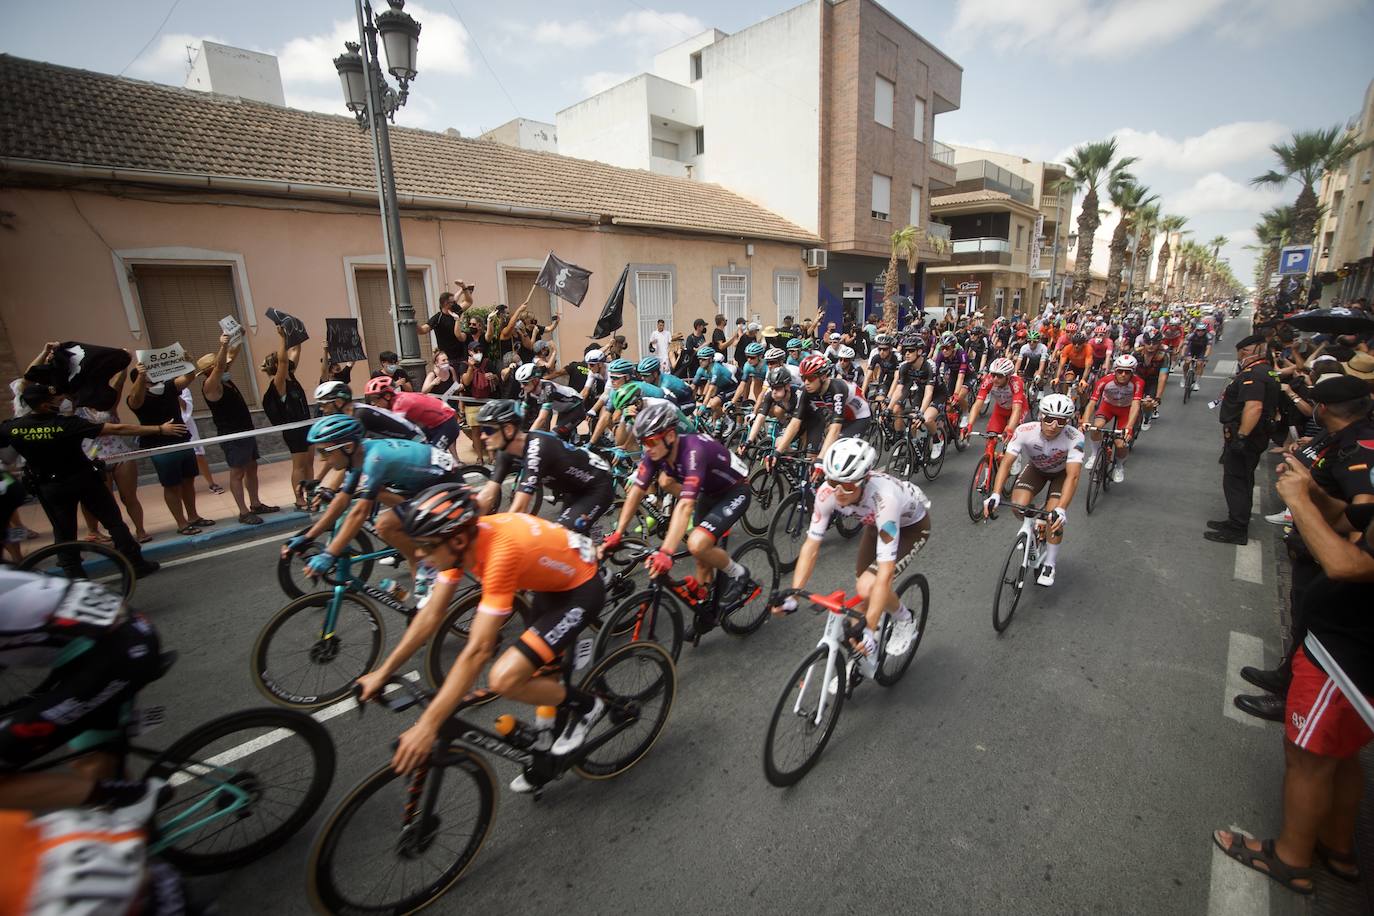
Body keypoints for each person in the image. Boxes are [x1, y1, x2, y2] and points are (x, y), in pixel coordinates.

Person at [355, 485, 609, 792]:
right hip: (550, 584)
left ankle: (589, 706)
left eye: (426, 545)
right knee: (542, 672)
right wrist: (383, 672)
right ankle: (546, 753)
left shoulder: (498, 554)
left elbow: (478, 650)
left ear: (458, 539)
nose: (419, 553)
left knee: (505, 678)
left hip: (580, 589)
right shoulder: (456, 547)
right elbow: (430, 616)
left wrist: (428, 725)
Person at [1212, 456, 1374, 896]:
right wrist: (1319, 495)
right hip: (1342, 647)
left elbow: (1349, 564)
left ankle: (1290, 858)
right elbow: (1351, 517)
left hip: (1348, 656)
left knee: (1307, 758)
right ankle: (1337, 847)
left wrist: (1300, 502)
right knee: (1340, 755)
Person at [0, 570, 164, 808]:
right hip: (109, 639)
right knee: (92, 760)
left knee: (92, 764)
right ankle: (127, 813)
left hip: (116, 650)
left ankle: (134, 801)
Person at [774, 438, 931, 677]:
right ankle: (864, 652)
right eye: (834, 481)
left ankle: (904, 619)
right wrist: (794, 594)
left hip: (910, 527)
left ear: (864, 480)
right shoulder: (827, 492)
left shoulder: (884, 499)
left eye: (847, 486)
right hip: (873, 523)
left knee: (869, 585)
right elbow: (811, 546)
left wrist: (868, 628)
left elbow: (886, 572)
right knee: (863, 595)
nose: (838, 491)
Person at [602, 402, 756, 639]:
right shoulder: (657, 451)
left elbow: (684, 506)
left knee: (697, 543)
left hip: (735, 491)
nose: (647, 448)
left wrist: (666, 551)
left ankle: (738, 573)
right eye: (643, 443)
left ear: (670, 435)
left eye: (651, 442)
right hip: (708, 493)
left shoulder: (693, 450)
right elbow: (636, 491)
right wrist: (618, 533)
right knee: (701, 557)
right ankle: (707, 611)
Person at [1, 383, 175, 577]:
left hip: (50, 486)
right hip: (83, 480)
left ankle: (74, 576)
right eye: (54, 401)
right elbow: (117, 428)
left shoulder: (12, 428)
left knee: (64, 532)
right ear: (43, 405)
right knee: (113, 522)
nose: (59, 403)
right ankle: (135, 565)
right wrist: (159, 429)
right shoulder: (67, 424)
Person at [282, 415, 461, 591]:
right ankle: (421, 570)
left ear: (348, 447)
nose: (322, 459)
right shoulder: (360, 455)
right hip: (424, 483)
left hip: (445, 484)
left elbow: (359, 513)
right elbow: (342, 500)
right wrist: (308, 538)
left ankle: (425, 563)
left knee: (385, 525)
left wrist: (330, 554)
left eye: (324, 452)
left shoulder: (375, 459)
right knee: (377, 496)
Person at [981, 393, 1085, 587]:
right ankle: (1035, 524)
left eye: (1061, 421)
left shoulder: (1075, 437)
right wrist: (995, 493)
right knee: (1018, 506)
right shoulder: (1025, 431)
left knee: (1054, 518)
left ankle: (1050, 563)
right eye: (1049, 419)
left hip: (1062, 475)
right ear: (1040, 416)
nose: (1054, 425)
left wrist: (1061, 508)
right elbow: (1006, 463)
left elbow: (1073, 476)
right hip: (1036, 470)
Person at [475, 399, 614, 531]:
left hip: (597, 486)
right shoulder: (505, 451)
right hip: (574, 489)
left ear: (508, 429)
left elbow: (519, 509)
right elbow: (488, 495)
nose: (482, 436)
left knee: (561, 537)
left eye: (488, 430)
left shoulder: (537, 449)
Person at [1205, 334, 1278, 546]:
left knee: (1237, 480)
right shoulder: (1266, 371)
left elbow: (1254, 406)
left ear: (1247, 352)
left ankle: (1237, 528)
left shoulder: (1254, 374)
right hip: (1253, 435)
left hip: (1248, 436)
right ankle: (1235, 520)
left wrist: (1242, 437)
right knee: (1241, 478)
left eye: (1241, 353)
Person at [200, 334, 278, 525]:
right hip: (232, 435)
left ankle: (256, 504)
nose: (225, 366)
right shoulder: (211, 386)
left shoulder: (225, 379)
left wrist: (237, 337)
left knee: (252, 467)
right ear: (209, 370)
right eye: (220, 365)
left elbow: (229, 358)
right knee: (237, 472)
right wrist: (224, 345)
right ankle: (243, 512)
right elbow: (220, 366)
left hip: (245, 431)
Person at [126, 360, 211, 536]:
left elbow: (188, 378)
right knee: (172, 485)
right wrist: (141, 376)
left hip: (182, 440)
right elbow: (135, 401)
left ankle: (193, 516)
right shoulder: (138, 397)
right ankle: (181, 523)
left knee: (188, 481)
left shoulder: (168, 388)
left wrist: (187, 361)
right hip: (160, 446)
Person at [773, 354, 871, 460]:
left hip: (858, 418)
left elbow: (835, 428)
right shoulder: (805, 390)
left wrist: (820, 459)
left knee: (836, 452)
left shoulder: (838, 388)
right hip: (840, 415)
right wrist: (777, 453)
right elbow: (795, 422)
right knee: (819, 454)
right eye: (803, 378)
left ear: (823, 377)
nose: (806, 383)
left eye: (810, 378)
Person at [260, 323, 315, 510]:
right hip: (294, 430)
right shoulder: (278, 383)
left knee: (309, 462)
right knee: (299, 465)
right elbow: (284, 362)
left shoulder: (291, 376)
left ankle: (311, 494)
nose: (287, 361)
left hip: (306, 425)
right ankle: (299, 499)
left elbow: (295, 350)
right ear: (276, 365)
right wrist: (282, 338)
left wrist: (296, 332)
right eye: (281, 361)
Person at [1080, 355, 1143, 484]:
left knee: (1120, 443)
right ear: (1115, 370)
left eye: (1127, 372)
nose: (1123, 375)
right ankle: (1094, 454)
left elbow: (1136, 405)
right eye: (1120, 371)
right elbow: (1092, 402)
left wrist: (1129, 427)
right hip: (1107, 407)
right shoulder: (1105, 380)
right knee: (1096, 427)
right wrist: (1086, 420)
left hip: (1126, 410)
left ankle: (1119, 466)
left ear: (1133, 372)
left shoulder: (1138, 383)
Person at [364, 375, 461, 454]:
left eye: (375, 399)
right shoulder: (396, 399)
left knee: (432, 456)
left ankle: (452, 473)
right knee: (420, 451)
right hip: (434, 425)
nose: (373, 403)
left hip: (448, 424)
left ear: (387, 396)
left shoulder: (400, 404)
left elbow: (395, 429)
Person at [964, 357, 1028, 440]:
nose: (995, 379)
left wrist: (1009, 429)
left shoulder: (1016, 383)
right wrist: (969, 425)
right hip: (1000, 409)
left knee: (1011, 437)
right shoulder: (989, 380)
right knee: (991, 437)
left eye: (1000, 376)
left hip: (1019, 409)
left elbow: (1016, 410)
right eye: (993, 375)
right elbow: (977, 404)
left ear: (1008, 376)